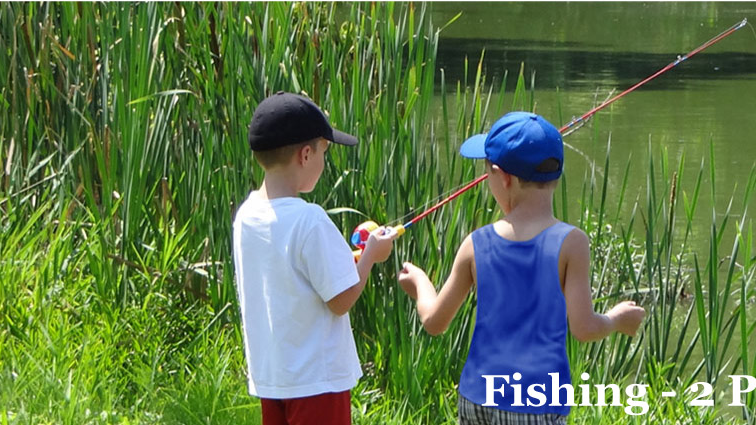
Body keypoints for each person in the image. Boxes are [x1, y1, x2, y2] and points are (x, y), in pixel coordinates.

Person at [396, 111, 647, 424]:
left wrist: (420, 283)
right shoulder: (572, 243)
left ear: (503, 177)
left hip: (477, 400)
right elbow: (584, 329)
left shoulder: (476, 243)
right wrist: (616, 320)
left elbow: (434, 322)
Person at [233, 92, 397, 425]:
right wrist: (370, 257)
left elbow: (293, 276)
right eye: (325, 152)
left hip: (273, 379)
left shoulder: (246, 215)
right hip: (317, 383)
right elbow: (341, 301)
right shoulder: (311, 219)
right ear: (306, 154)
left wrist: (347, 262)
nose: (324, 162)